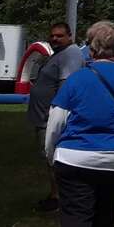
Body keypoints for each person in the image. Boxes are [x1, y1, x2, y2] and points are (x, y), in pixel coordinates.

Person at [45, 21, 114, 227]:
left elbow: (56, 119)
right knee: (106, 215)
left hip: (74, 158)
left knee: (76, 217)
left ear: (91, 50)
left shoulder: (76, 78)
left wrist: (50, 152)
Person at [28, 22, 85, 212]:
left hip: (53, 120)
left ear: (70, 36)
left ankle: (59, 198)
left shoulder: (71, 54)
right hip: (44, 118)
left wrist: (56, 114)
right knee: (50, 159)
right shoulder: (59, 54)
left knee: (55, 159)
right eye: (52, 36)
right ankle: (56, 195)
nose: (54, 39)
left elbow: (67, 88)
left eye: (60, 36)